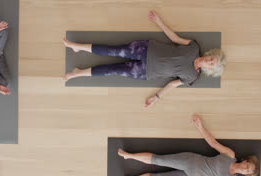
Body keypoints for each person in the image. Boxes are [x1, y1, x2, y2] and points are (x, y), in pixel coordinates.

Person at [63, 11, 226, 107]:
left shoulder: (192, 77)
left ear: (210, 70)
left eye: (212, 64)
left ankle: (77, 74)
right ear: (209, 54)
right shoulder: (194, 47)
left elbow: (173, 84)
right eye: (211, 58)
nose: (209, 61)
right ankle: (77, 46)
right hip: (145, 49)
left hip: (144, 72)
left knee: (111, 70)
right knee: (111, 50)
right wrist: (159, 22)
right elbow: (175, 38)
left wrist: (157, 97)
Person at [117, 114, 260, 176]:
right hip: (191, 161)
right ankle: (129, 155)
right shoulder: (230, 155)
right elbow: (213, 143)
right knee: (158, 160)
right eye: (248, 166)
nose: (245, 169)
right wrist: (200, 127)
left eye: (248, 172)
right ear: (245, 161)